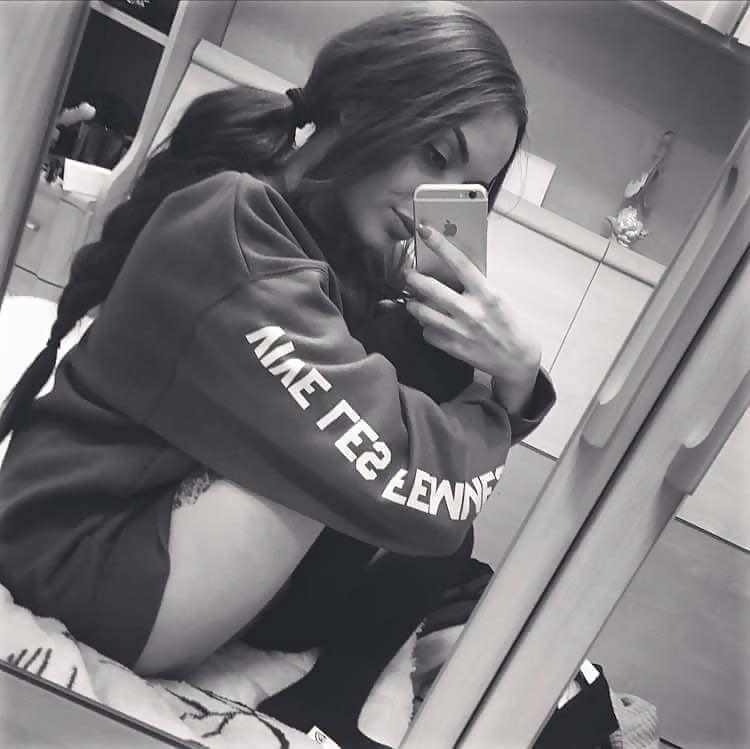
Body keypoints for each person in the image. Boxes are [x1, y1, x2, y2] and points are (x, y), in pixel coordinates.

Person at [0, 4, 554, 747]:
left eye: (468, 190)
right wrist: (508, 393)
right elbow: (402, 472)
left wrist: (497, 372)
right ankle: (336, 696)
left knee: (437, 479)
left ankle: (336, 691)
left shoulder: (326, 243)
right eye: (433, 155)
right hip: (84, 562)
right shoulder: (237, 226)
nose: (436, 206)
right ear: (359, 104)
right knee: (397, 469)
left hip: (146, 539)